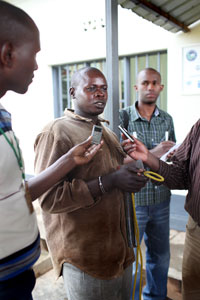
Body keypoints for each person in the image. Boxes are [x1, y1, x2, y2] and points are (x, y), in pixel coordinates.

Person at [0, 2, 102, 300]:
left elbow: (19, 192)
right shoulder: (56, 130)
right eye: (34, 55)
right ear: (7, 54)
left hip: (18, 277)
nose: (35, 66)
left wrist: (69, 160)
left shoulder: (3, 117)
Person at [34, 66, 148, 300]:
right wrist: (109, 181)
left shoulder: (105, 130)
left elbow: (112, 171)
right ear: (73, 92)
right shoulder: (56, 131)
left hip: (121, 254)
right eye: (91, 88)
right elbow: (48, 199)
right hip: (86, 260)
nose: (100, 93)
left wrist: (130, 171)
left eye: (104, 88)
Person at [122, 118, 200, 300]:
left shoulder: (166, 119)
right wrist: (148, 157)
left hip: (162, 205)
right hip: (197, 230)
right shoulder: (198, 127)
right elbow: (180, 174)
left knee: (159, 257)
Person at [119, 68, 176, 300]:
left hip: (161, 199)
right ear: (136, 87)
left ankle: (155, 297)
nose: (150, 87)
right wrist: (154, 152)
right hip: (135, 202)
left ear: (160, 87)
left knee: (160, 257)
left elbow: (172, 156)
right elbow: (116, 161)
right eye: (145, 83)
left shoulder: (167, 119)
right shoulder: (123, 117)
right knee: (130, 259)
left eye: (155, 83)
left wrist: (170, 154)